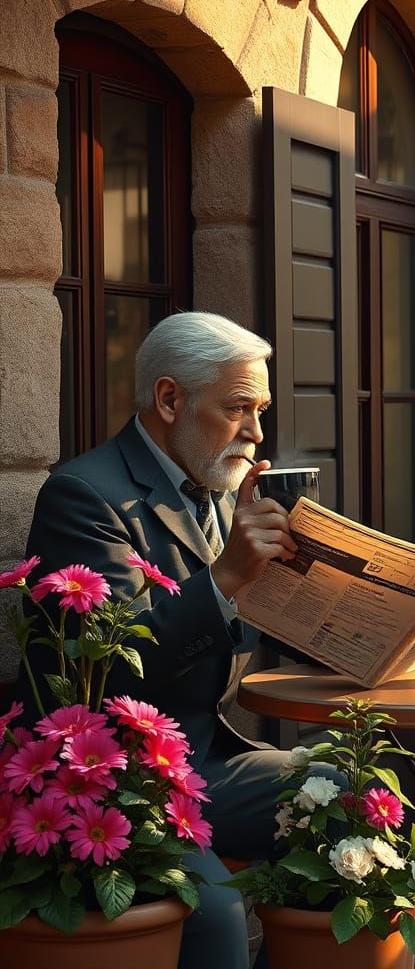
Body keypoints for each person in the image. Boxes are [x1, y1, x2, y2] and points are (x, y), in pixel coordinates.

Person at [20, 312, 321, 969]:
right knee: (209, 911)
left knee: (343, 796)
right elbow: (115, 661)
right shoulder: (82, 496)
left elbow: (249, 619)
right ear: (167, 398)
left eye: (261, 408)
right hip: (117, 779)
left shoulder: (222, 486)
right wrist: (230, 574)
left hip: (209, 756)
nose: (257, 431)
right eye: (239, 407)